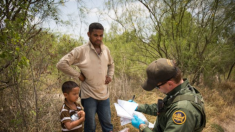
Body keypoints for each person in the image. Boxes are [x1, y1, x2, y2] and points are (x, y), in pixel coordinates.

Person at [56, 22, 114, 132]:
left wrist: (110, 76)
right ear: (89, 34)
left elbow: (111, 64)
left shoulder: (106, 50)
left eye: (101, 35)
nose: (98, 38)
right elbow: (61, 64)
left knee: (107, 124)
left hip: (104, 95)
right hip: (89, 95)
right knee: (90, 126)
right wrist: (78, 75)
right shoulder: (81, 50)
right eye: (95, 35)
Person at [131, 58, 206, 132]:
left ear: (170, 84)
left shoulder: (182, 110)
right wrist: (137, 107)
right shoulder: (179, 91)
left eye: (157, 86)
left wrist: (142, 127)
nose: (157, 89)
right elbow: (164, 108)